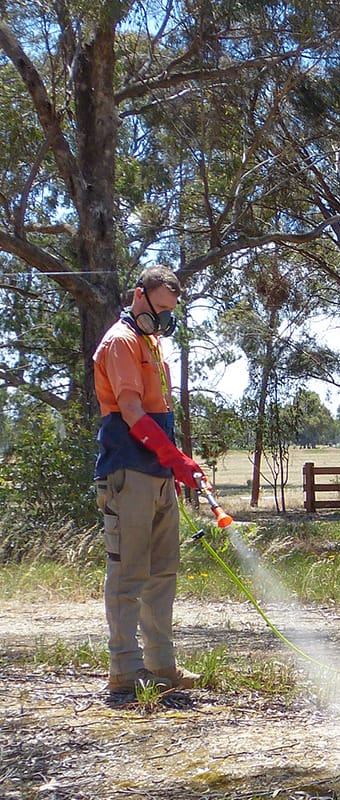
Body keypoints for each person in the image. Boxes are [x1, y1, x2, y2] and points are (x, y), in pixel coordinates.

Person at [92, 264, 204, 705]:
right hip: (128, 471)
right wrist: (174, 458)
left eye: (169, 312)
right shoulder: (121, 342)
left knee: (163, 571)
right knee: (128, 573)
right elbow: (132, 412)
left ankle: (161, 664)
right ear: (139, 296)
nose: (162, 319)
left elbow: (160, 413)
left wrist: (174, 463)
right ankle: (124, 668)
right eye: (158, 309)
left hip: (158, 473)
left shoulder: (152, 342)